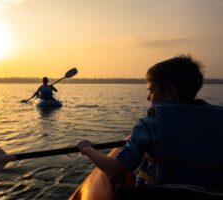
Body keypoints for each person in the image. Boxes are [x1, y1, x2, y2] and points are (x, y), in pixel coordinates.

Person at [77, 55, 223, 198]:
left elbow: (115, 170)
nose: (148, 97)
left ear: (171, 92)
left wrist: (88, 149)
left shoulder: (150, 125)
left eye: (151, 90)